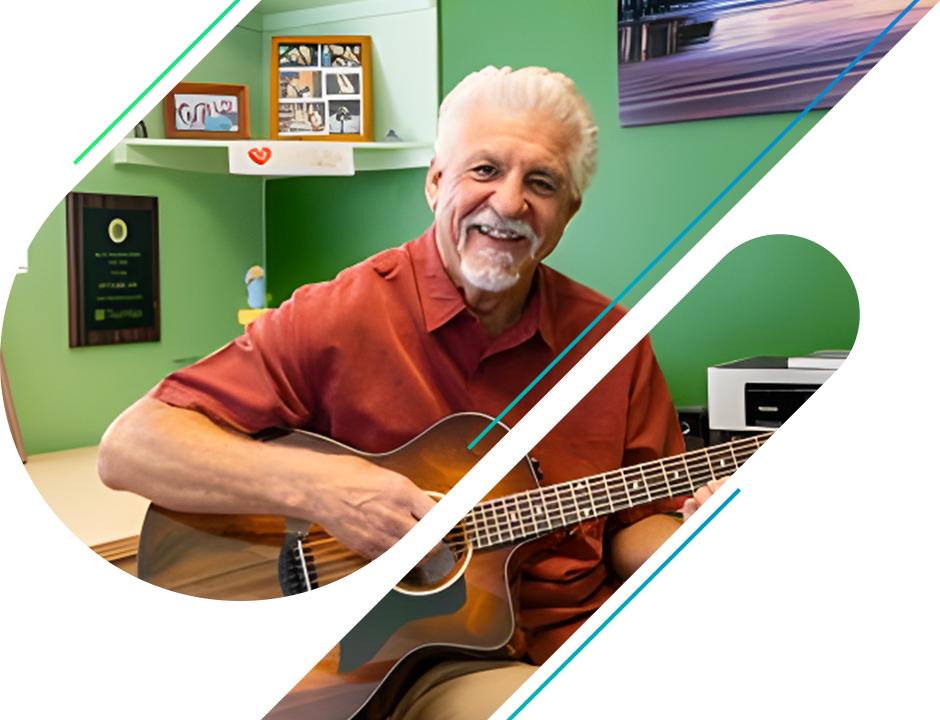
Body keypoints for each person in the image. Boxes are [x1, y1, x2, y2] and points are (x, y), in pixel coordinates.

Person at [99, 66, 899, 720]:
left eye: (541, 183)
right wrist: (328, 490)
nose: (509, 203)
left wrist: (690, 551)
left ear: (567, 213)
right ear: (437, 180)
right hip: (407, 664)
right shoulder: (340, 312)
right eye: (485, 170)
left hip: (599, 633)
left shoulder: (617, 342)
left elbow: (634, 536)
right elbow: (133, 445)